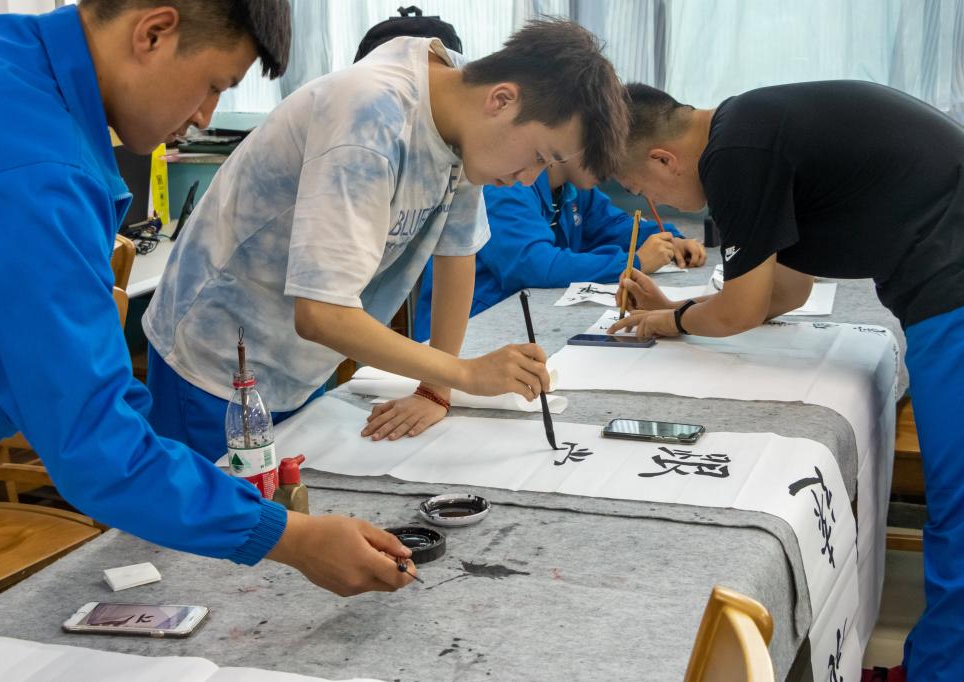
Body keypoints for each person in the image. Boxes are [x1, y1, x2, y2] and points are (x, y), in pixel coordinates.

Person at [0, 0, 418, 596]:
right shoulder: (31, 174)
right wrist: (290, 538)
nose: (204, 116)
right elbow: (97, 446)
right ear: (154, 33)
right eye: (214, 85)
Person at [610, 80, 964, 680]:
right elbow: (786, 291)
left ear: (663, 159)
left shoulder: (734, 155)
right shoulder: (749, 132)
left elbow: (743, 308)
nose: (653, 205)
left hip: (952, 287)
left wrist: (672, 322)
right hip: (940, 275)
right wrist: (680, 313)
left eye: (642, 188)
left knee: (959, 516)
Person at [143, 20, 629, 450]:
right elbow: (320, 313)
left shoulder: (465, 111)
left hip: (297, 363)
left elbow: (457, 252)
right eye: (540, 156)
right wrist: (464, 373)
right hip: (216, 365)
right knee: (212, 517)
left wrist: (436, 389)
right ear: (502, 100)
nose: (529, 179)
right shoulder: (370, 116)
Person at [412, 156, 706, 341]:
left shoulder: (574, 186)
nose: (613, 161)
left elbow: (613, 224)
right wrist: (633, 263)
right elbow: (533, 264)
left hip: (528, 322)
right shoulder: (505, 182)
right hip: (469, 333)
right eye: (604, 145)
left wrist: (669, 240)